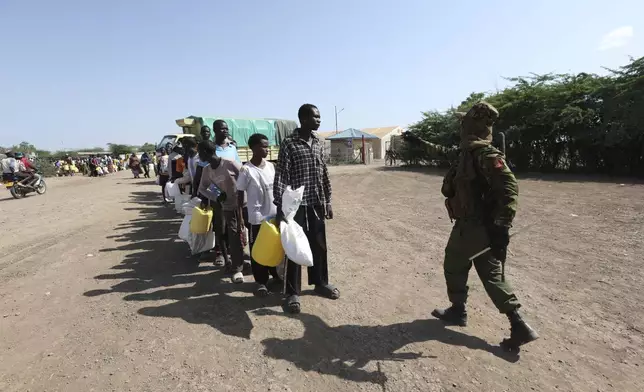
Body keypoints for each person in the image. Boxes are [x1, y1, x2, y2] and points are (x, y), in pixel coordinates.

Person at [423, 101, 538, 352]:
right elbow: (442, 153)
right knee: (454, 264)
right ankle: (458, 310)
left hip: (479, 228)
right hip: (466, 226)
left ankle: (518, 325)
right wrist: (417, 141)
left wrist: (501, 227)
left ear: (470, 125)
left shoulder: (486, 155)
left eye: (464, 122)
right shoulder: (468, 152)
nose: (460, 126)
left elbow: (509, 189)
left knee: (489, 275)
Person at [274, 104, 338, 314]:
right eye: (315, 117)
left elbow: (324, 173)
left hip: (316, 202)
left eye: (320, 117)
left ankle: (320, 283)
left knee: (319, 245)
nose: (319, 120)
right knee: (294, 248)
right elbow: (282, 174)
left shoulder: (318, 143)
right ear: (303, 118)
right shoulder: (289, 144)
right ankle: (292, 292)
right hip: (296, 206)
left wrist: (328, 200)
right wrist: (279, 205)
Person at [237, 133, 281, 296]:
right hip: (257, 218)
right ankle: (261, 282)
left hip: (274, 216)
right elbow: (240, 193)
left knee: (274, 247)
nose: (267, 149)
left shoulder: (271, 166)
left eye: (267, 146)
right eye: (263, 146)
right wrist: (241, 217)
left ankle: (276, 275)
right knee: (258, 251)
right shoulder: (246, 170)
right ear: (253, 148)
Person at [197, 140, 246, 283]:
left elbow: (245, 178)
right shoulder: (207, 170)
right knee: (232, 234)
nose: (199, 156)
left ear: (206, 152)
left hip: (243, 205)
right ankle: (236, 267)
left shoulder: (229, 164)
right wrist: (217, 195)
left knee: (244, 234)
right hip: (227, 207)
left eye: (200, 152)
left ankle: (246, 262)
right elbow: (202, 188)